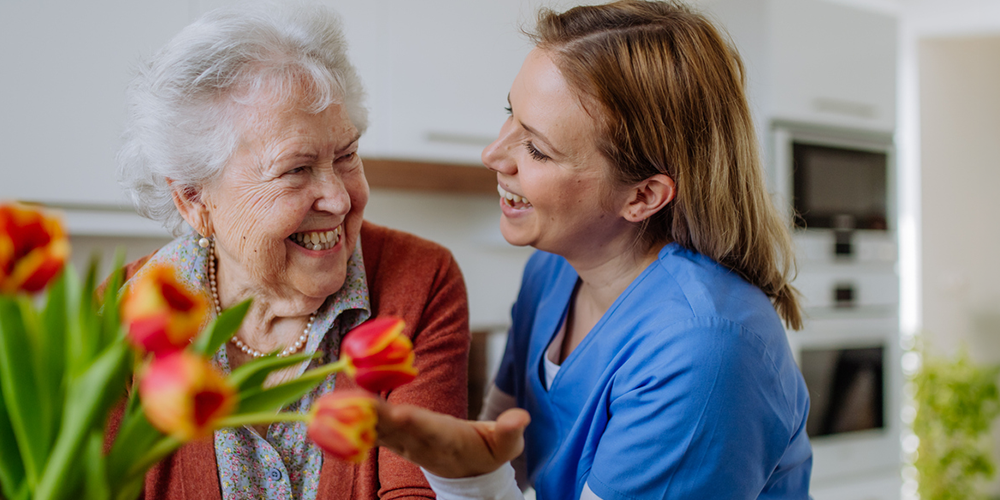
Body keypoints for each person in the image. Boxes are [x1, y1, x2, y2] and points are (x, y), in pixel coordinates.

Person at [373, 1, 813, 499]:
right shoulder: (551, 271)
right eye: (508, 114)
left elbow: (485, 476)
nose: (492, 154)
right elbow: (499, 454)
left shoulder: (703, 352)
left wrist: (469, 479)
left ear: (642, 196)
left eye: (537, 148)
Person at [110, 3, 469, 499]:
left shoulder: (420, 282)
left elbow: (419, 489)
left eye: (347, 156)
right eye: (296, 169)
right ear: (194, 199)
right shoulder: (119, 318)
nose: (340, 199)